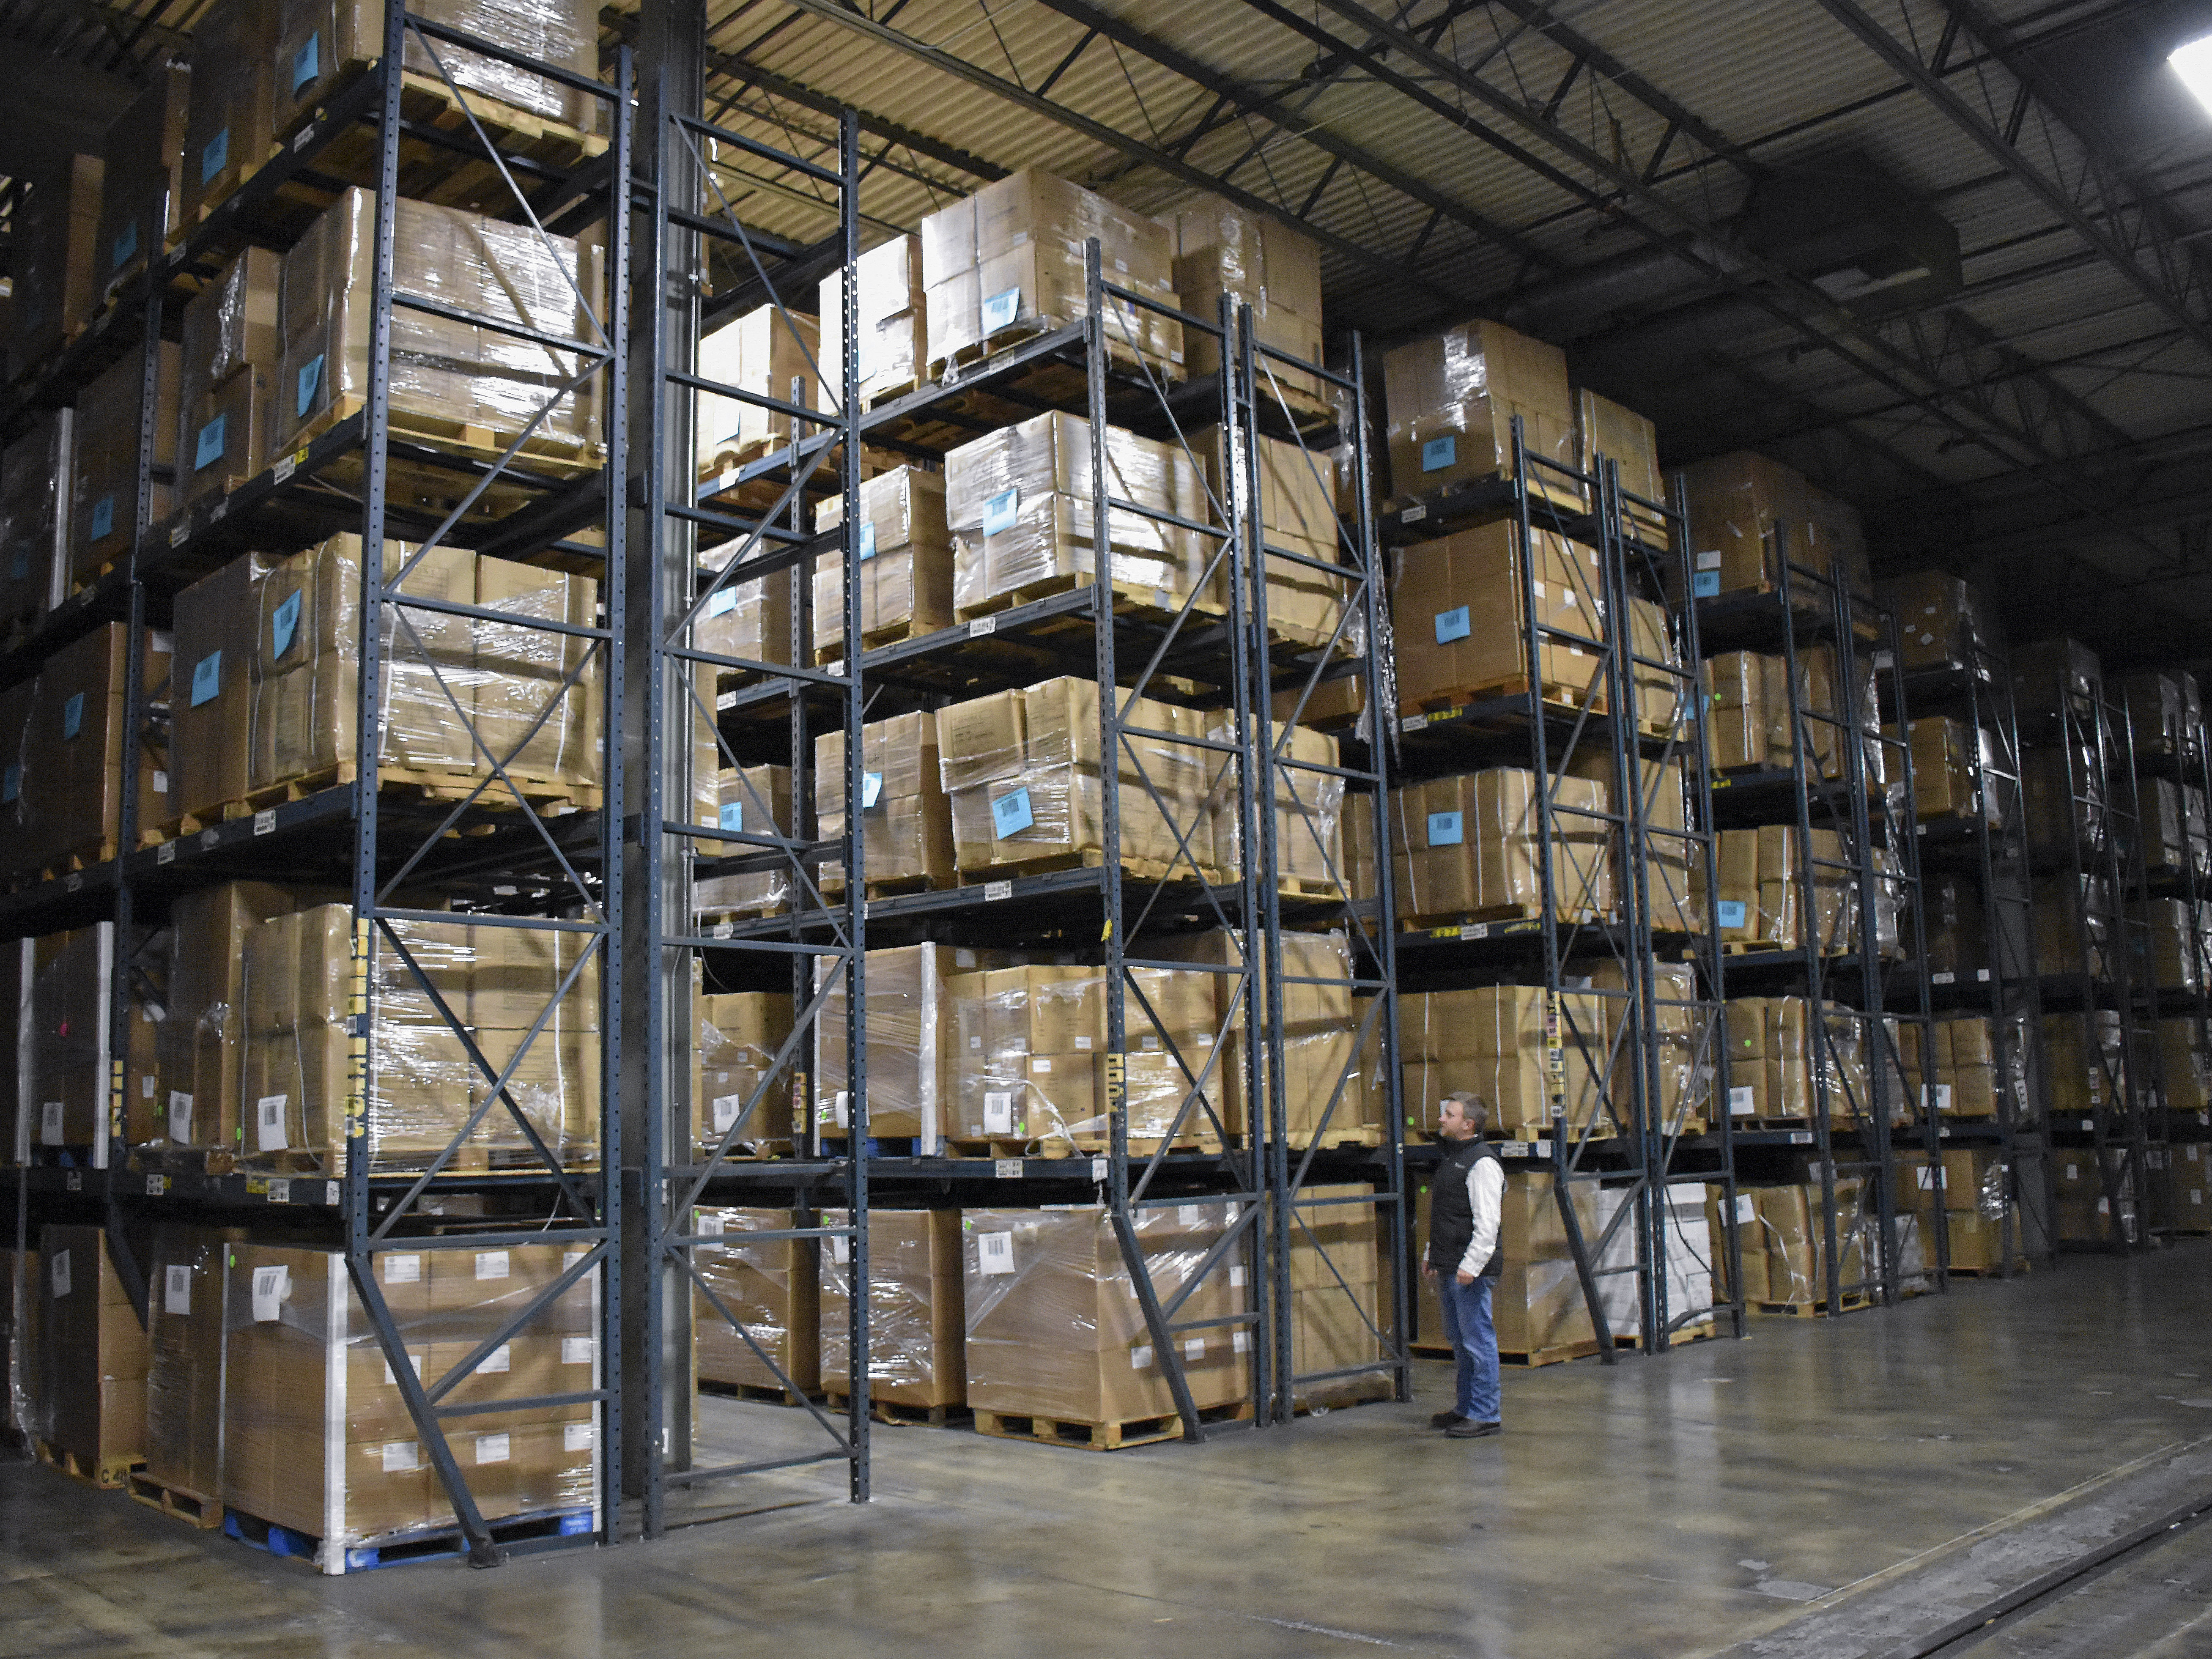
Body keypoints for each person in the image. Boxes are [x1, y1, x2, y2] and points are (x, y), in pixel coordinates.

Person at [1423, 1090, 1502, 1438]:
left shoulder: (1482, 1163)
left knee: (1477, 1341)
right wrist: (1432, 1254)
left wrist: (1471, 1265)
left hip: (1469, 1270)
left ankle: (1486, 1414)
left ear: (1468, 1124)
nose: (1442, 1119)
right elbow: (1447, 1214)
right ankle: (1466, 1407)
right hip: (1450, 1264)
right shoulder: (1453, 1158)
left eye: (1449, 1114)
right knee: (1460, 1340)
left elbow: (1488, 1223)